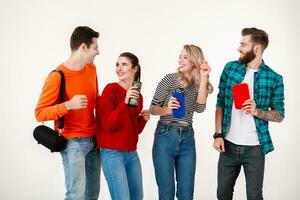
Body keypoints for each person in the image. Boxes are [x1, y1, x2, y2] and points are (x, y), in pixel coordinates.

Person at [213, 27, 285, 200]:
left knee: (254, 196)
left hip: (255, 149)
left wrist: (257, 111)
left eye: (243, 44)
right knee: (222, 194)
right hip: (227, 145)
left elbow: (280, 115)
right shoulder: (231, 68)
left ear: (257, 48)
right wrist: (218, 134)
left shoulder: (274, 78)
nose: (239, 48)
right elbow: (220, 102)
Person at [35, 26, 101, 200]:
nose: (98, 52)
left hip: (94, 142)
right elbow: (40, 113)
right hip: (73, 144)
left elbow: (97, 101)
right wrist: (67, 105)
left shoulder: (91, 70)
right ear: (83, 47)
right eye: (95, 47)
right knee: (75, 195)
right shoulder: (57, 76)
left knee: (92, 194)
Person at [150, 44, 213, 200]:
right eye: (180, 56)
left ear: (194, 60)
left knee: (186, 193)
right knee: (167, 193)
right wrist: (168, 110)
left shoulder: (198, 84)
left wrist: (204, 77)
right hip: (165, 135)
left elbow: (200, 108)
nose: (180, 60)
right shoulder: (169, 79)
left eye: (185, 57)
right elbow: (153, 109)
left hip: (187, 138)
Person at [96, 52, 150, 200]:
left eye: (124, 64)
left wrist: (143, 120)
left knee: (137, 197)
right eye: (117, 64)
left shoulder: (138, 96)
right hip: (112, 154)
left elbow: (133, 130)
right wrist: (124, 103)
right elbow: (108, 124)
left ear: (135, 68)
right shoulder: (110, 90)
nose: (119, 68)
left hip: (131, 154)